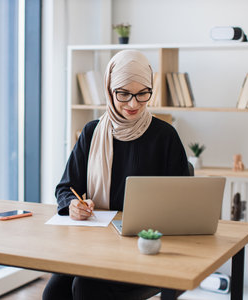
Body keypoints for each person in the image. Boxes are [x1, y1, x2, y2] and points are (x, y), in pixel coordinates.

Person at [42, 50, 189, 300]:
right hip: (95, 244)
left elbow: (184, 201)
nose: (133, 104)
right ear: (110, 91)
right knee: (54, 293)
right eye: (123, 94)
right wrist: (73, 204)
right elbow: (65, 188)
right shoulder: (91, 133)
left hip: (145, 245)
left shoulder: (166, 137)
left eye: (143, 93)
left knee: (87, 289)